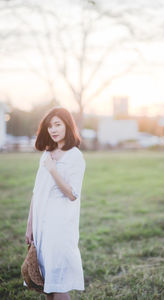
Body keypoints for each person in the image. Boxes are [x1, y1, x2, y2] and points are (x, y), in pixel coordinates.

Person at [24, 106, 86, 300]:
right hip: (41, 227)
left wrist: (53, 169)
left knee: (58, 283)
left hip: (59, 227)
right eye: (50, 126)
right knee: (47, 284)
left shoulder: (75, 156)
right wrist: (29, 225)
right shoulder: (47, 153)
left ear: (68, 126)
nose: (53, 130)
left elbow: (72, 194)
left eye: (58, 124)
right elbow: (37, 192)